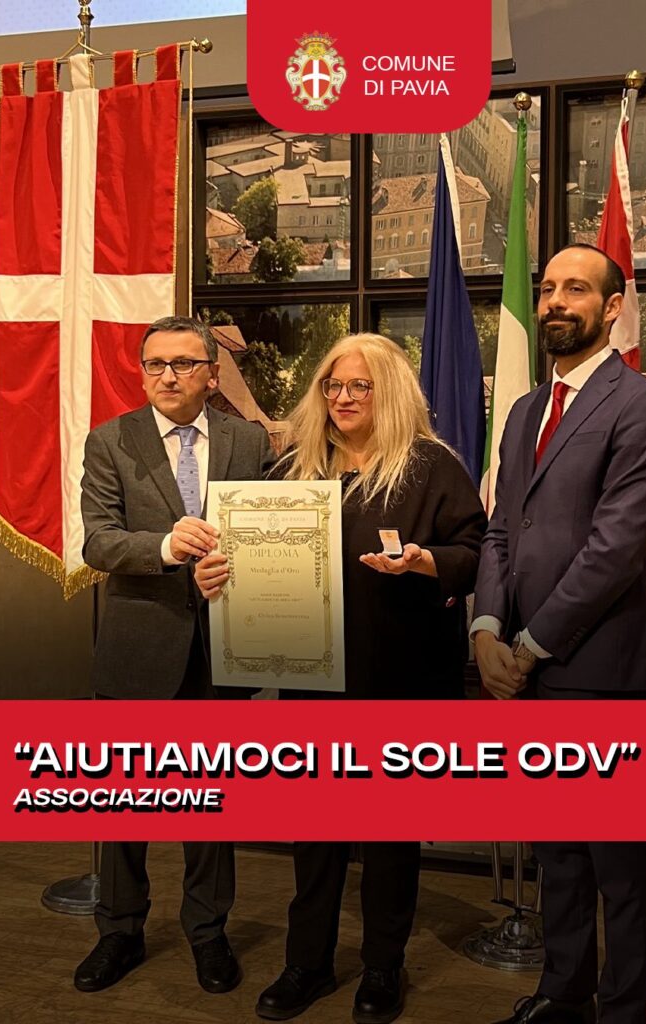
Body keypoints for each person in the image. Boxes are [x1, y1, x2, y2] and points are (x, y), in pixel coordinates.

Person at [195, 333, 487, 1023]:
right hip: (313, 680)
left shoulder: (430, 466)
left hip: (402, 678)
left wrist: (424, 561)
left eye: (360, 385)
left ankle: (383, 967)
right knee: (315, 836)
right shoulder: (293, 467)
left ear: (391, 393)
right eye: (333, 385)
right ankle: (307, 964)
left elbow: (476, 551)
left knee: (390, 838)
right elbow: (246, 554)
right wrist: (216, 575)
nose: (343, 397)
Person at [472, 244, 646, 1024]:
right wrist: (485, 629)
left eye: (576, 289)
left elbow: (614, 550)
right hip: (517, 664)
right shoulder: (525, 409)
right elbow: (502, 530)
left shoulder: (641, 405)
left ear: (612, 306)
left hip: (597, 671)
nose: (556, 301)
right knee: (555, 850)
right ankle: (563, 996)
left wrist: (527, 648)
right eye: (548, 289)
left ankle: (621, 1013)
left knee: (616, 864)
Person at [74, 315, 274, 995]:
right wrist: (164, 547)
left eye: (184, 364)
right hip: (138, 649)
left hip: (223, 649)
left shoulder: (249, 442)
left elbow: (270, 532)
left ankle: (208, 933)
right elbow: (98, 541)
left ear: (211, 375)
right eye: (155, 364)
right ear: (141, 372)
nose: (168, 375)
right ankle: (119, 930)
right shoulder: (111, 440)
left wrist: (244, 564)